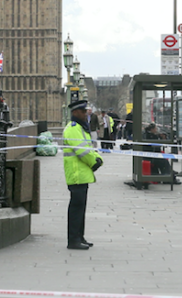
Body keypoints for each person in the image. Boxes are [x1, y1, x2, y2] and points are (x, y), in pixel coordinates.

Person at [62, 98, 103, 250]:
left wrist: (98, 159)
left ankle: (80, 236)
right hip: (76, 173)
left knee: (81, 207)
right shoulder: (73, 128)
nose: (86, 114)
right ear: (75, 112)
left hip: (82, 173)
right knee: (76, 208)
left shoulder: (80, 128)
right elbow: (82, 151)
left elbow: (90, 148)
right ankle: (73, 240)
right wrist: (94, 162)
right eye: (83, 111)